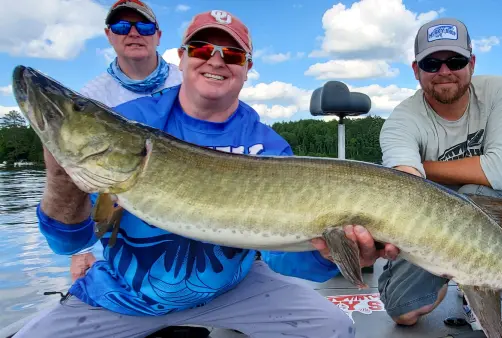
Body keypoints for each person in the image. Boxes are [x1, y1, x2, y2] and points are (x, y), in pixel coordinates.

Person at [14, 9, 399, 338]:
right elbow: (68, 244)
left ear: (247, 69)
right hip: (122, 296)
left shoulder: (267, 147)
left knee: (331, 326)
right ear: (181, 58)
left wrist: (337, 253)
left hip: (234, 290)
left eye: (232, 54)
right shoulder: (131, 125)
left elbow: (285, 260)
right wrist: (62, 177)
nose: (216, 60)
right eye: (202, 49)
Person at [376, 17, 502, 330]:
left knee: (475, 196)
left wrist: (425, 168)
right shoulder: (401, 121)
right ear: (415, 70)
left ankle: (474, 281)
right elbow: (404, 186)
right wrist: (414, 172)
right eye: (432, 63)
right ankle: (454, 276)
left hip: (501, 209)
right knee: (403, 312)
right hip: (432, 222)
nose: (444, 71)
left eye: (455, 61)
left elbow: (499, 173)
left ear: (472, 63)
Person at [69, 0, 183, 282]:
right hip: (132, 217)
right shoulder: (93, 98)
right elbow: (83, 175)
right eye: (122, 26)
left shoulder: (186, 81)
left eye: (143, 26)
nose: (133, 32)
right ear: (109, 35)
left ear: (158, 36)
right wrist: (82, 248)